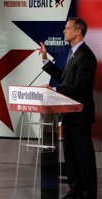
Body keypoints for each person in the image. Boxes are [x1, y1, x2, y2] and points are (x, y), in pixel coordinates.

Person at [38, 17, 97, 199]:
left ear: (78, 31)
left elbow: (79, 87)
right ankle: (75, 189)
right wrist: (45, 60)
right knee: (70, 156)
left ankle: (88, 193)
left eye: (67, 28)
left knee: (83, 156)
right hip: (69, 114)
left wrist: (54, 89)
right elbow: (64, 78)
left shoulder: (86, 56)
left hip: (80, 114)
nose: (64, 31)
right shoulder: (72, 53)